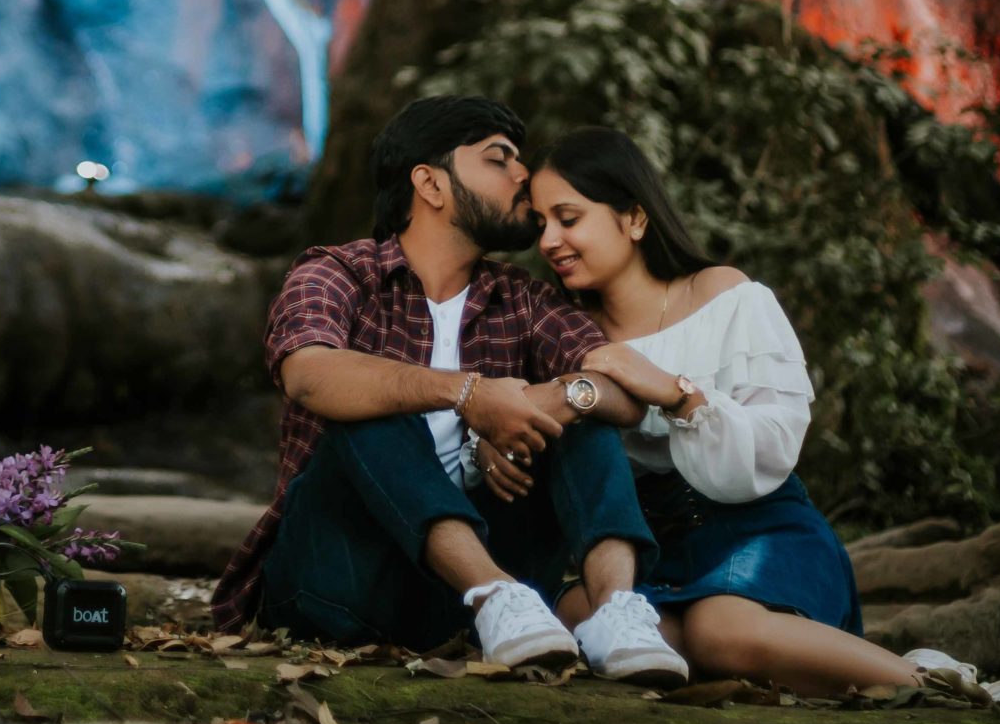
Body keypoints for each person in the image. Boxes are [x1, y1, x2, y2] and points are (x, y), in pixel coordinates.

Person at [211, 95, 692, 679]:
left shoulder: (523, 297)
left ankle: (616, 613)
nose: (525, 176)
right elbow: (310, 374)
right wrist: (468, 394)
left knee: (580, 413)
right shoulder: (337, 273)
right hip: (338, 580)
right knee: (371, 397)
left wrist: (552, 399)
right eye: (500, 159)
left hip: (480, 607)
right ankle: (491, 594)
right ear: (430, 184)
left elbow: (617, 386)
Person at [506, 126, 961, 696]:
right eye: (540, 224)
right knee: (577, 618)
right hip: (646, 555)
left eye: (568, 218)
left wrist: (676, 393)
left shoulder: (724, 295)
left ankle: (935, 683)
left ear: (635, 219)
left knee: (720, 630)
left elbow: (775, 443)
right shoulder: (563, 332)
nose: (549, 240)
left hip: (758, 528)